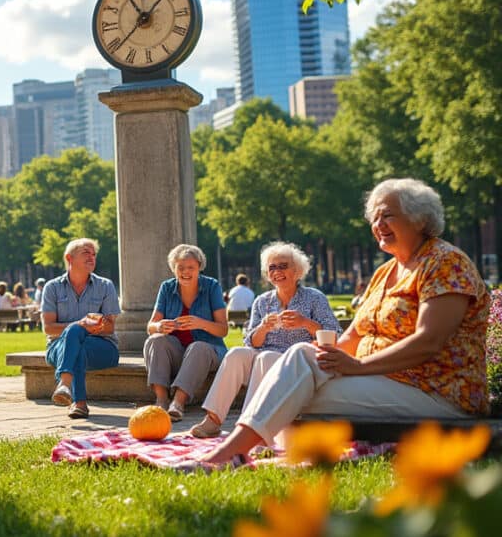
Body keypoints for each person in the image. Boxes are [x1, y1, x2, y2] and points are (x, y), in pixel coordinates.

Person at [201, 179, 490, 466]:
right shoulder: (385, 272)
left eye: (387, 215)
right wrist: (324, 354)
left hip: (438, 391)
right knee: (301, 358)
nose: (378, 224)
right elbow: (351, 336)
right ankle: (250, 450)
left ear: (419, 219)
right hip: (388, 382)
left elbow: (429, 341)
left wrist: (359, 366)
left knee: (294, 382)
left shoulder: (444, 261)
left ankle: (229, 453)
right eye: (374, 217)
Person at [189, 242, 341, 438]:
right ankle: (213, 420)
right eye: (272, 267)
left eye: (283, 266)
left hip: (295, 362)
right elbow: (251, 342)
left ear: (297, 271)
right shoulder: (262, 301)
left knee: (266, 357)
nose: (277, 271)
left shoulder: (314, 298)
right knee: (236, 353)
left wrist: (305, 323)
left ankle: (250, 427)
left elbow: (334, 333)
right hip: (264, 356)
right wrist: (263, 327)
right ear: (267, 274)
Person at [144, 244, 229, 421]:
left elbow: (223, 330)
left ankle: (178, 402)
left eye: (191, 267)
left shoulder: (212, 286)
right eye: (180, 267)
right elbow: (151, 326)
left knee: (198, 347)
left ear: (199, 267)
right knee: (155, 340)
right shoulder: (167, 287)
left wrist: (200, 323)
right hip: (177, 353)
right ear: (173, 268)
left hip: (207, 351)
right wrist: (160, 326)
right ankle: (161, 400)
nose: (185, 272)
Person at [41, 238, 121, 419]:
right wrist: (80, 324)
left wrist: (89, 326)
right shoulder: (52, 288)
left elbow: (109, 328)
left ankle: (66, 385)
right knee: (75, 336)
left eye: (94, 254)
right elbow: (49, 329)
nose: (92, 258)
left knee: (77, 336)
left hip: (102, 347)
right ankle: (79, 403)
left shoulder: (105, 286)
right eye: (86, 253)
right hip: (58, 347)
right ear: (69, 258)